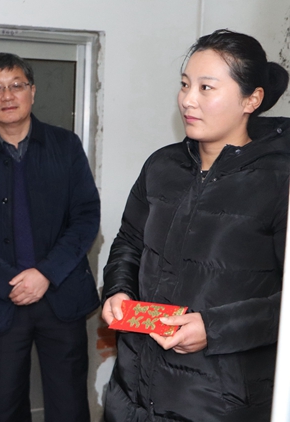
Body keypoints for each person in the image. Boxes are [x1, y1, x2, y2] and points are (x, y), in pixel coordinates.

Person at [102, 29, 290, 422]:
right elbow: (129, 242)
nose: (188, 99)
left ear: (251, 99)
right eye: (185, 84)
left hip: (218, 401)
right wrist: (119, 289)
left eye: (206, 87)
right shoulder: (162, 166)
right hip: (133, 391)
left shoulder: (278, 180)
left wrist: (214, 328)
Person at [0, 52, 101, 422]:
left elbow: (85, 217)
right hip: (1, 301)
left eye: (16, 85)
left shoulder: (65, 146)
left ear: (32, 91)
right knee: (8, 406)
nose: (7, 95)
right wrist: (8, 282)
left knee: (69, 406)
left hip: (61, 295)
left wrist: (45, 273)